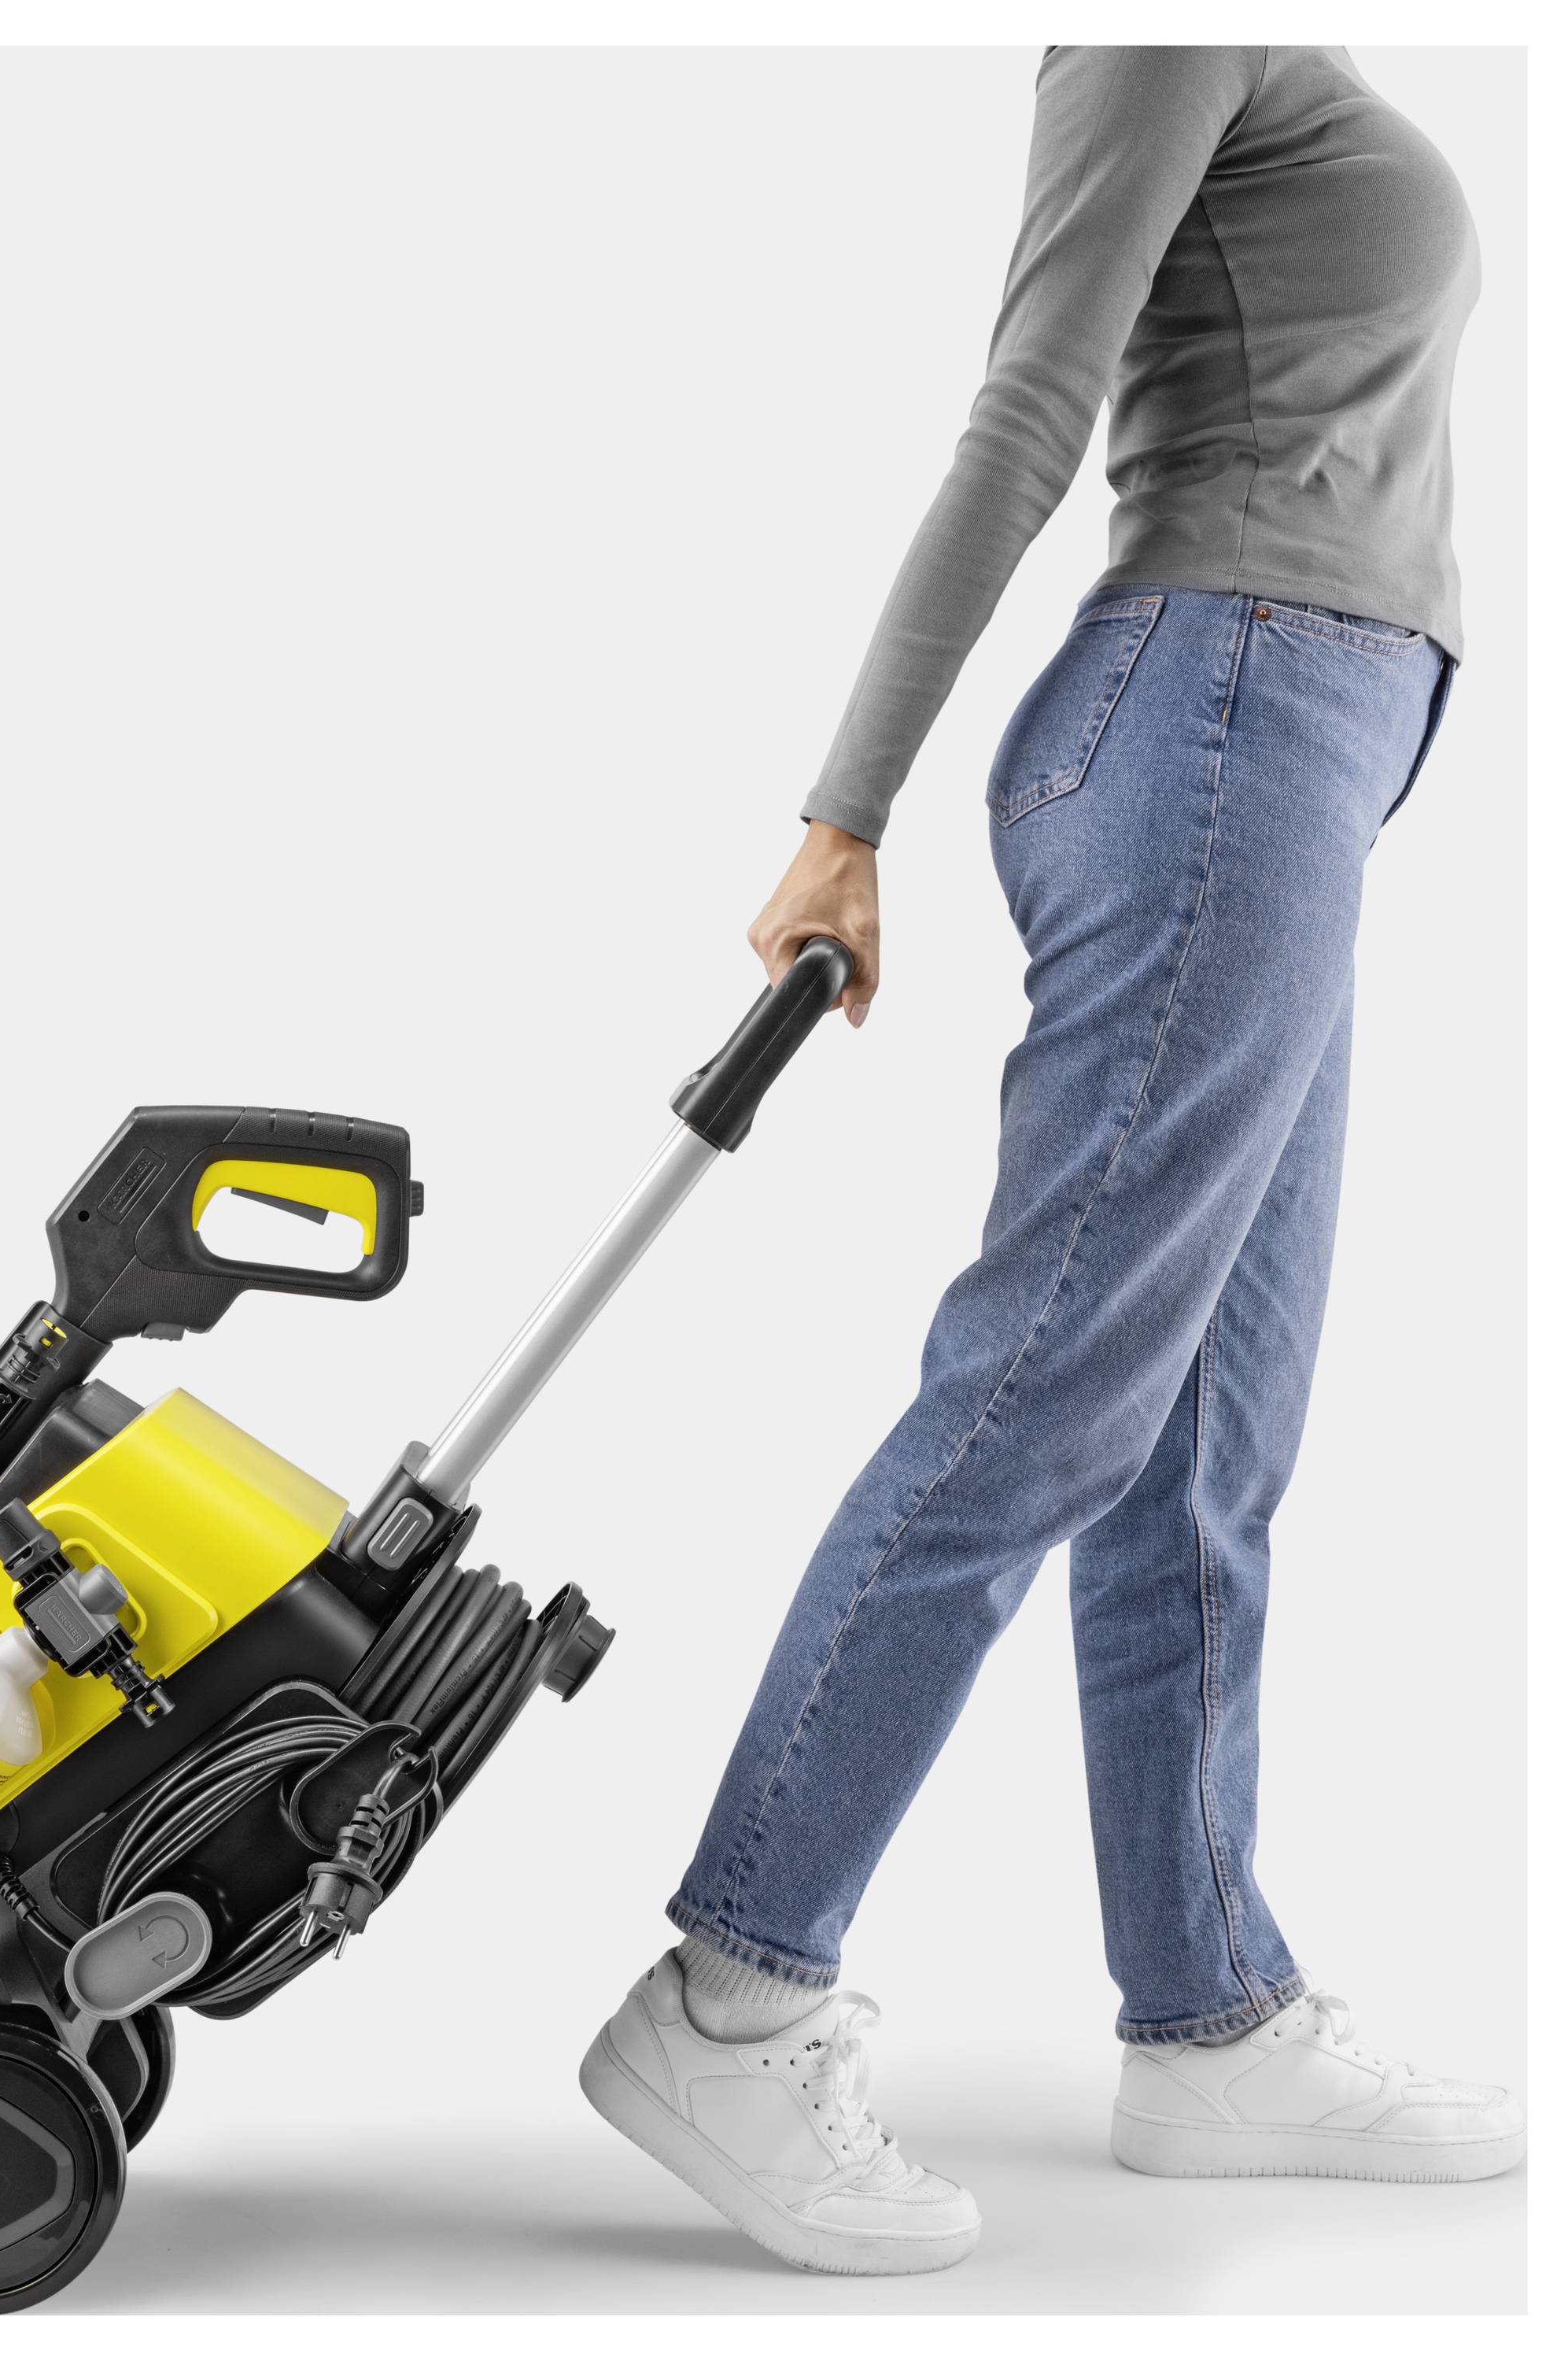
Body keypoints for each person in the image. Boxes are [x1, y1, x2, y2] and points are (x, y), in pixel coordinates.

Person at [580, 45, 1521, 2277]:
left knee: (1211, 1435)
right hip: (1216, 722)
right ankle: (738, 1989)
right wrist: (845, 809)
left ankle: (1209, 2020)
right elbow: (1031, 399)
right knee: (1047, 1390)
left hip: (1293, 751)